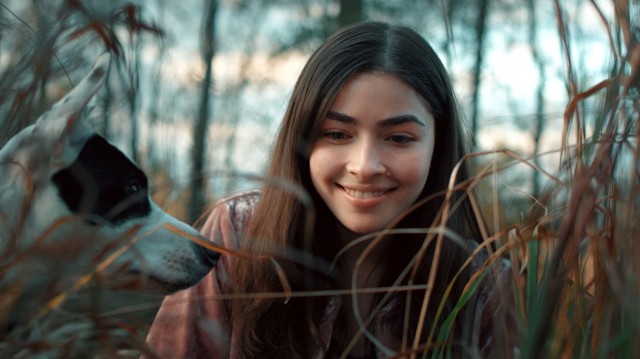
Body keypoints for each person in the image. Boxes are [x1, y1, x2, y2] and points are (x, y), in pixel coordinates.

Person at [143, 21, 514, 358]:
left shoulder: (483, 287)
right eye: (337, 134)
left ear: (438, 143)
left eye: (399, 138)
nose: (364, 166)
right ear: (303, 139)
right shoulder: (236, 238)